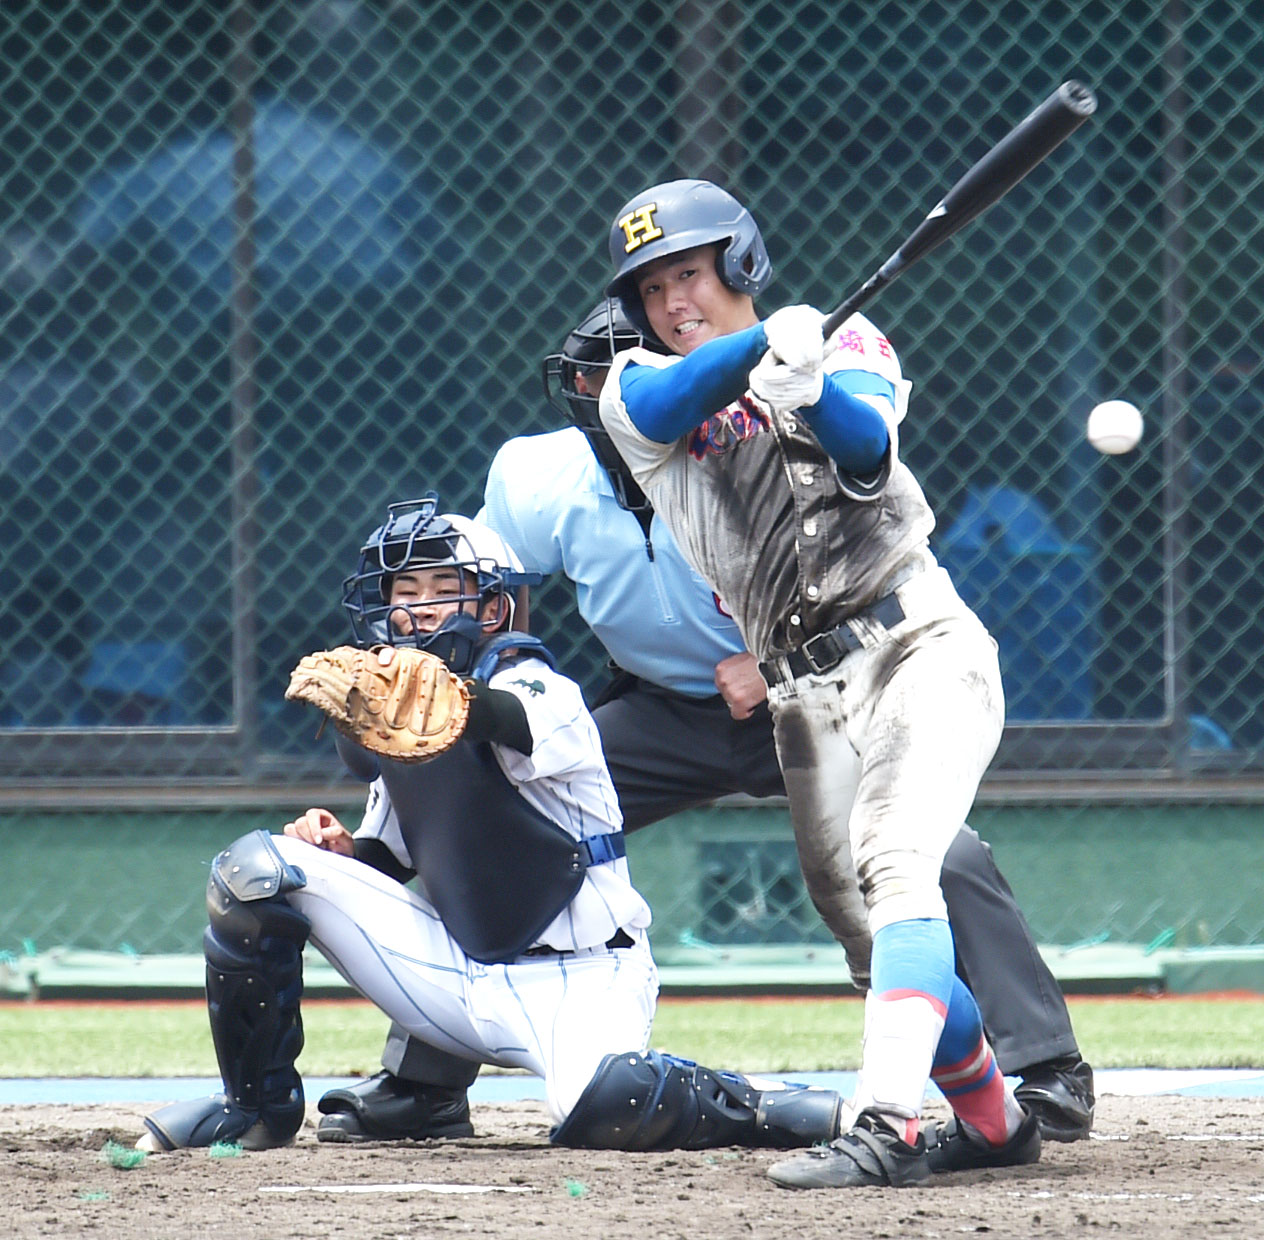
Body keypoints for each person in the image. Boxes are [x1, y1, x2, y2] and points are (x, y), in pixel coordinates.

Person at [319, 300, 1094, 1153]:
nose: (602, 385)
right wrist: (492, 709)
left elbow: (840, 570)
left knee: (930, 852)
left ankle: (1045, 1068)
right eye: (586, 375)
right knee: (489, 799)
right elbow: (486, 593)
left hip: (804, 694)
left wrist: (767, 667)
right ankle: (424, 1081)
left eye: (628, 363)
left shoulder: (751, 447)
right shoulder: (539, 475)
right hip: (657, 709)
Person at [135, 496, 842, 1154]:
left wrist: (450, 702)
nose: (415, 610)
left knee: (608, 1104)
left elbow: (510, 721)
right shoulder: (396, 714)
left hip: (580, 975)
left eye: (439, 589)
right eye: (403, 594)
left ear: (495, 606)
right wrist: (341, 850)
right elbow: (390, 859)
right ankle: (255, 1106)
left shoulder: (537, 685)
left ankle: (759, 1104)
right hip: (456, 976)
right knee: (258, 872)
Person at [595, 177, 1050, 1188]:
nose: (675, 300)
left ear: (739, 264)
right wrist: (758, 354)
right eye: (654, 288)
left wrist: (816, 388)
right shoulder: (631, 390)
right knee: (868, 931)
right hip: (804, 703)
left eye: (691, 273)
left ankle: (885, 1121)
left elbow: (869, 455)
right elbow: (673, 398)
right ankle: (994, 1121)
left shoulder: (847, 346)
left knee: (897, 866)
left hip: (916, 644)